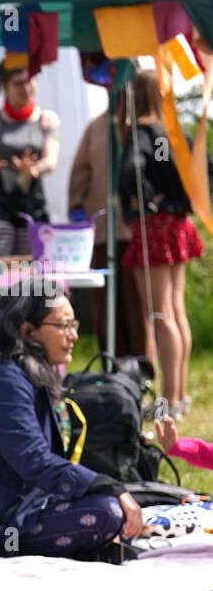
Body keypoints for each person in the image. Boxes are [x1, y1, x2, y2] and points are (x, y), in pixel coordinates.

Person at [0, 289, 143, 558]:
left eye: (74, 325)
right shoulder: (1, 380)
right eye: (62, 325)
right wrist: (110, 486)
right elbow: (36, 462)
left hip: (26, 503)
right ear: (27, 331)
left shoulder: (26, 374)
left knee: (109, 507)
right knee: (108, 511)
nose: (74, 335)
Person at [118, 70, 205, 417]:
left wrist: (142, 200)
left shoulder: (141, 132)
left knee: (159, 314)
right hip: (180, 224)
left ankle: (167, 401)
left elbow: (130, 172)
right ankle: (177, 396)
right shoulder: (175, 131)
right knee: (175, 312)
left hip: (153, 226)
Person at [67, 103, 145, 358]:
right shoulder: (97, 126)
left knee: (139, 302)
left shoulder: (146, 126)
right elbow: (80, 169)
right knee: (105, 302)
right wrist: (77, 204)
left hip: (138, 231)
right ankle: (111, 358)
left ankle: (142, 361)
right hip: (102, 230)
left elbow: (163, 156)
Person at [0, 63, 60, 257]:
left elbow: (51, 161)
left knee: (29, 270)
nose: (26, 88)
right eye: (18, 84)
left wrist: (33, 170)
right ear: (4, 86)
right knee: (0, 267)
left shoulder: (48, 119)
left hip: (33, 205)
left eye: (29, 81)